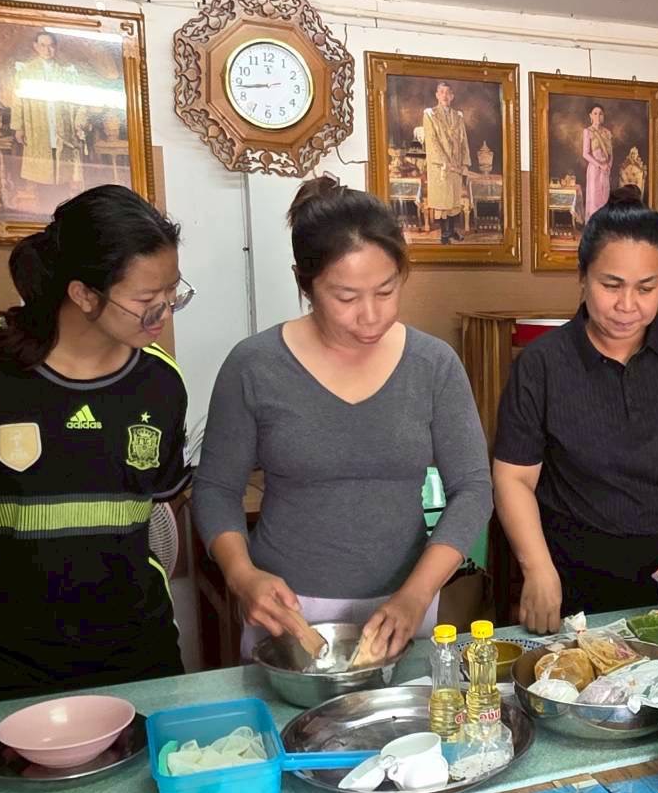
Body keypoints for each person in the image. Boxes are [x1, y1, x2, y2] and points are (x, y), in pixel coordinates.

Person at [193, 177, 491, 662]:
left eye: (386, 290)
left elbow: (473, 488)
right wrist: (243, 576)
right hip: (289, 610)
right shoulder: (255, 365)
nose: (370, 315)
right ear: (305, 283)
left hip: (405, 607)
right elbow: (215, 489)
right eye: (346, 298)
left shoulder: (433, 365)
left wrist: (417, 594)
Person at [0, 185, 192, 703]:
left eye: (172, 294)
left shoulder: (160, 383)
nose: (163, 313)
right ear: (84, 294)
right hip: (1, 665)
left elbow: (158, 514)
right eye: (145, 301)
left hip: (137, 659)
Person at [493, 186, 658, 633]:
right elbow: (514, 477)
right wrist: (537, 569)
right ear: (582, 277)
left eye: (646, 288)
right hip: (570, 576)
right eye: (610, 285)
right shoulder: (543, 364)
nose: (627, 305)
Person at [13, 32, 89, 192]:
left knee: (63, 163)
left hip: (61, 122)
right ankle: (42, 193)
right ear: (35, 47)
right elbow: (18, 101)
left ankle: (63, 191)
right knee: (40, 164)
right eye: (42, 45)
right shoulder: (25, 71)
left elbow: (79, 99)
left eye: (51, 46)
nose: (47, 50)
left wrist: (79, 123)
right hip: (37, 123)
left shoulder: (67, 72)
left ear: (56, 47)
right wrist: (19, 127)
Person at [422, 81, 471, 245]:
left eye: (448, 92)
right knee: (442, 200)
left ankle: (452, 230)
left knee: (453, 200)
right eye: (441, 92)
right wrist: (445, 162)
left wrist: (464, 163)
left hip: (456, 164)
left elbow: (463, 140)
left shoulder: (458, 116)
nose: (445, 95)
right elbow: (432, 141)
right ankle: (444, 233)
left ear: (452, 96)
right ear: (437, 95)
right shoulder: (430, 114)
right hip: (440, 167)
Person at [582, 104, 612, 220]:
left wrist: (608, 167)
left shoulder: (607, 133)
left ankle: (603, 226)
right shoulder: (588, 131)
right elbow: (585, 154)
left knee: (605, 199)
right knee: (594, 199)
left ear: (603, 116)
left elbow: (611, 154)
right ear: (590, 116)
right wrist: (600, 165)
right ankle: (594, 226)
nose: (598, 116)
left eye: (600, 114)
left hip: (606, 170)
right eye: (595, 113)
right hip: (594, 169)